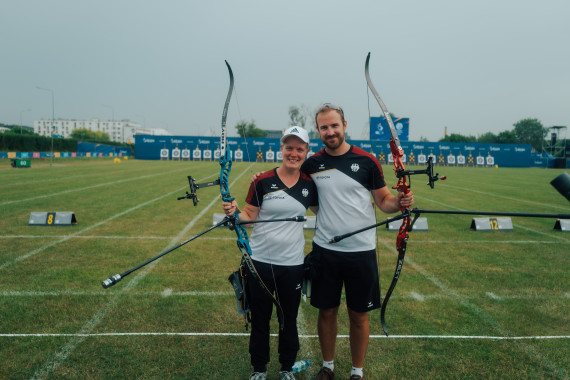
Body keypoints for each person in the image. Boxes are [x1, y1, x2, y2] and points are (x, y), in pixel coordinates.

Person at [301, 104, 414, 380]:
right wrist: (260, 178)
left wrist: (400, 201)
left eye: (334, 125)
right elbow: (299, 191)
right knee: (326, 311)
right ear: (318, 130)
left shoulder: (367, 161)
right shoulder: (312, 164)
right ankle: (327, 367)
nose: (330, 131)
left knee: (358, 315)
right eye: (324, 127)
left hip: (361, 252)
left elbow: (384, 201)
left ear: (344, 125)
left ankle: (357, 372)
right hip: (325, 250)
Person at [222, 126, 319, 380]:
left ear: (307, 152)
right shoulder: (262, 180)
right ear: (282, 149)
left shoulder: (310, 184)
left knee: (288, 319)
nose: (294, 153)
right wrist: (233, 211)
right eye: (289, 147)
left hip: (292, 265)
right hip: (260, 263)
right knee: (261, 319)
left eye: (299, 149)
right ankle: (259, 369)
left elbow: (325, 212)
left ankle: (286, 367)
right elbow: (249, 218)